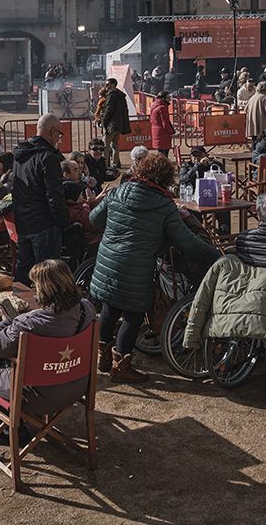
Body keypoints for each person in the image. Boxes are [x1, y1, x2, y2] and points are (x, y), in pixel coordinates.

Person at [90, 153, 220, 383]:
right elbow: (186, 242)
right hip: (135, 268)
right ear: (165, 179)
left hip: (107, 263)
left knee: (110, 308)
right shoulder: (163, 206)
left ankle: (103, 357)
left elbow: (94, 220)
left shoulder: (119, 192)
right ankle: (121, 367)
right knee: (133, 315)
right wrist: (214, 255)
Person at [0, 259, 96, 415]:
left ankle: (10, 432)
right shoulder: (87, 308)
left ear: (43, 289)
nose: (34, 290)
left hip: (36, 394)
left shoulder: (29, 323)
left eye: (35, 286)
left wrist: (7, 320)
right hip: (76, 385)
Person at [12, 114, 68, 285]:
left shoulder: (21, 156)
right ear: (52, 131)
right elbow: (54, 195)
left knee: (24, 272)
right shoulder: (47, 158)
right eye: (59, 134)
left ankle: (17, 306)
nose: (59, 138)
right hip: (43, 225)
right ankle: (47, 310)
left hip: (23, 222)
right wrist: (62, 221)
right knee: (47, 277)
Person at [98, 78, 131, 169]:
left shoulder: (111, 95)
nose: (106, 86)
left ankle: (105, 165)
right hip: (118, 124)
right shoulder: (120, 95)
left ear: (113, 85)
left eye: (107, 84)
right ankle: (115, 164)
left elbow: (109, 110)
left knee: (106, 146)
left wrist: (104, 121)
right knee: (115, 145)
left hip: (111, 124)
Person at [148, 91, 174, 157]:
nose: (169, 99)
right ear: (163, 98)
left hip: (157, 133)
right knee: (164, 155)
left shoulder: (155, 105)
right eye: (168, 98)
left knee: (160, 153)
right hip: (163, 134)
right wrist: (171, 132)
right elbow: (165, 124)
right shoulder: (162, 108)